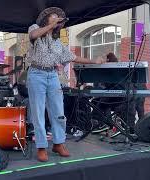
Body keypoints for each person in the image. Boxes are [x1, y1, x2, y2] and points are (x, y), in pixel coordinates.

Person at [27, 7, 105, 162]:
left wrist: (94, 61)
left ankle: (58, 143)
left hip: (52, 75)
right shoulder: (35, 28)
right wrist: (51, 26)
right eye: (55, 16)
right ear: (47, 18)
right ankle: (42, 147)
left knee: (58, 111)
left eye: (59, 18)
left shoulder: (57, 43)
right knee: (38, 111)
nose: (58, 19)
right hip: (36, 74)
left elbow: (73, 57)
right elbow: (33, 35)